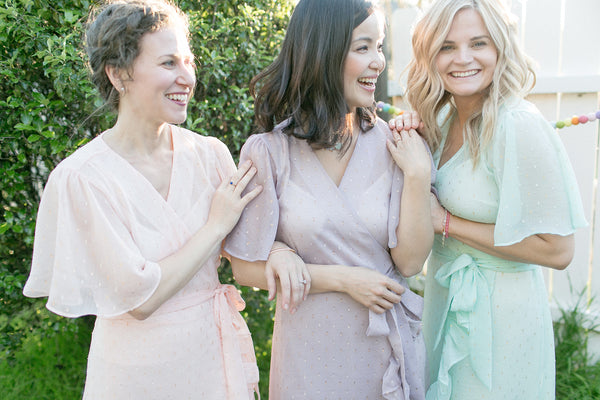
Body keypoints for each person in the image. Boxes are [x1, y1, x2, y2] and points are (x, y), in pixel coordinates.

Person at [22, 1, 262, 398]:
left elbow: (250, 255)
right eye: (168, 63)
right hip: (135, 377)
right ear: (118, 74)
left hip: (211, 361)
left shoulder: (210, 155)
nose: (187, 77)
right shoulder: (83, 178)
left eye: (189, 61)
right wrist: (215, 225)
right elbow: (141, 300)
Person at [225, 0, 434, 398]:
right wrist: (341, 279)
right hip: (308, 352)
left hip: (381, 350)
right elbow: (245, 268)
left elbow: (409, 261)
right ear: (323, 51)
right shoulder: (269, 151)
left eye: (379, 46)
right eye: (363, 47)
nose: (378, 62)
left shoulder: (394, 145)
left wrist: (418, 175)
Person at [390, 0, 588, 398]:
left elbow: (558, 250)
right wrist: (411, 134)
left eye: (478, 43)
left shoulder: (518, 124)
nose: (462, 58)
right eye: (447, 46)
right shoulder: (443, 121)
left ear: (500, 48)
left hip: (500, 320)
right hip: (446, 301)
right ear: (430, 55)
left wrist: (447, 222)